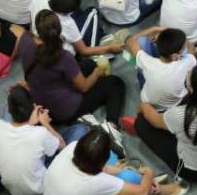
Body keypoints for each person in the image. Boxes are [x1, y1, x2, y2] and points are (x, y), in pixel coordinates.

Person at [17, 10, 127, 141]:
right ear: (59, 30)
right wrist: (97, 73)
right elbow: (84, 87)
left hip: (42, 104)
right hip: (65, 110)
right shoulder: (63, 56)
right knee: (115, 83)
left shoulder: (24, 40)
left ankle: (86, 115)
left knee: (88, 64)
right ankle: (112, 126)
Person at [42, 127, 167, 195]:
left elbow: (100, 165)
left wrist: (116, 171)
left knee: (113, 158)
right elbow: (141, 193)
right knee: (130, 177)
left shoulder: (73, 146)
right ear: (102, 162)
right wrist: (149, 173)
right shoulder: (97, 182)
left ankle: (146, 184)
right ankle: (156, 189)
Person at [0, 85, 84, 195]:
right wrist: (45, 123)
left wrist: (30, 123)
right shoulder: (40, 133)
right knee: (80, 130)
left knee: (4, 110)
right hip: (40, 188)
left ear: (11, 110)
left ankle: (22, 117)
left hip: (13, 190)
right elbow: (62, 146)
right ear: (33, 108)